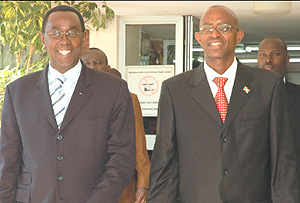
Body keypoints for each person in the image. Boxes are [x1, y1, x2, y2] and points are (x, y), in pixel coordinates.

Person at [147, 5, 299, 202]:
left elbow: (283, 161)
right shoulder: (175, 90)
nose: (215, 34)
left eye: (224, 28)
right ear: (198, 38)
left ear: (239, 36)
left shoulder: (268, 86)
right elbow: (164, 163)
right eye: (207, 29)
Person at [0, 5, 136, 203]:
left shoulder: (113, 90)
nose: (64, 40)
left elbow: (122, 159)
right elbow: (7, 161)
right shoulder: (18, 92)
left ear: (85, 38)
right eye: (55, 33)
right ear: (43, 39)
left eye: (72, 32)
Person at [82, 49, 151, 203]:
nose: (92, 67)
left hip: (121, 186)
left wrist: (143, 183)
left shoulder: (128, 99)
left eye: (97, 63)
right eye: (87, 64)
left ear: (107, 68)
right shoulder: (70, 101)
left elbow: (138, 144)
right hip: (81, 185)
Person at [257, 35, 300, 194]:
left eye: (275, 54)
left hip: (292, 187)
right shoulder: (241, 97)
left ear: (287, 59)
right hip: (253, 189)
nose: (268, 59)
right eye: (263, 54)